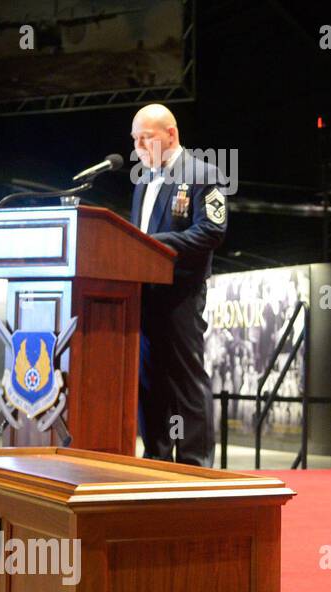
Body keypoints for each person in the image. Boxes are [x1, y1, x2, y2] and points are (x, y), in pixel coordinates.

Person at [130, 103, 228, 467]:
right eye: (135, 140)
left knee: (186, 380)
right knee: (149, 381)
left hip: (180, 295)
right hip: (142, 294)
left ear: (171, 134)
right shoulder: (142, 182)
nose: (139, 146)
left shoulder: (205, 174)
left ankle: (195, 462)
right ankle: (156, 454)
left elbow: (212, 230)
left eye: (147, 137)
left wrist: (155, 246)